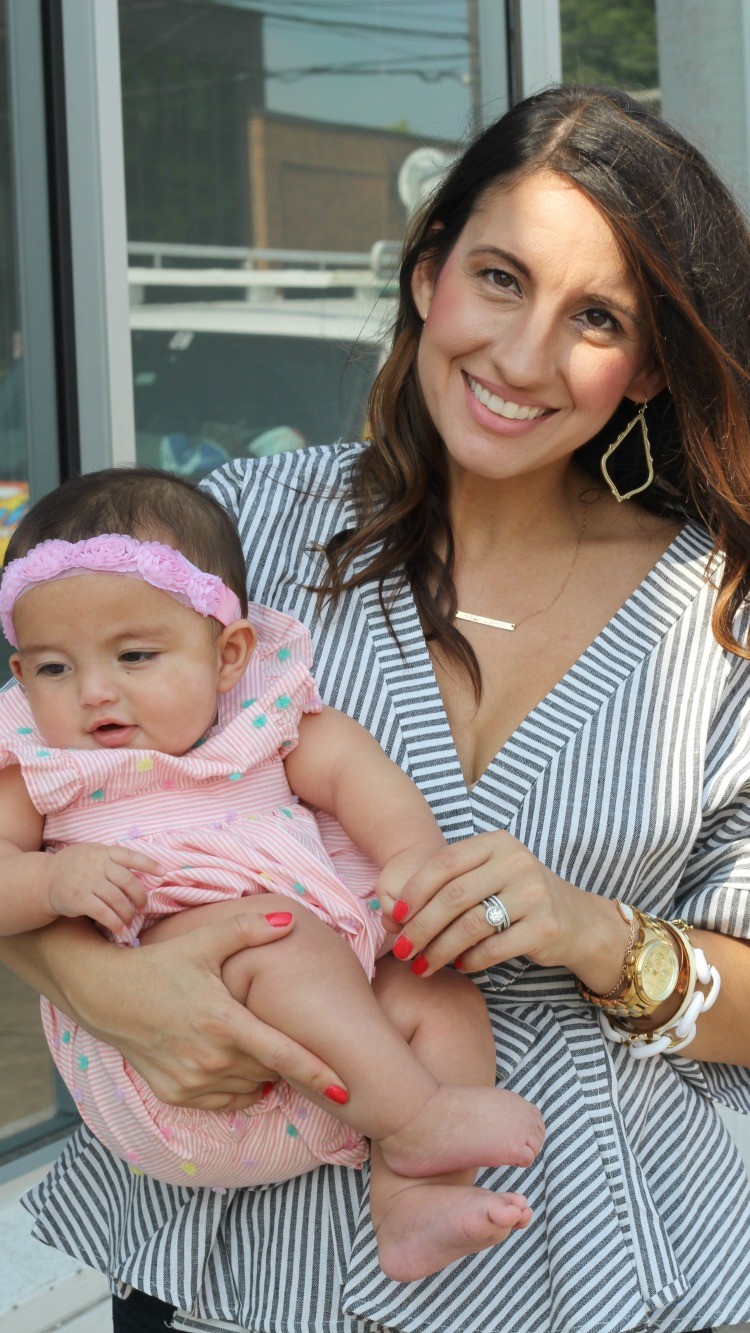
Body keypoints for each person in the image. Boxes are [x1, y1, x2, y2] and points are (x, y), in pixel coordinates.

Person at [2, 81, 750, 1333]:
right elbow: (46, 786)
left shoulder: (723, 614)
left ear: (645, 369)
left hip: (611, 1271)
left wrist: (595, 935)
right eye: (500, 279)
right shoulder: (240, 528)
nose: (520, 357)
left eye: (597, 316)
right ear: (428, 273)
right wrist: (101, 985)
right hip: (237, 1267)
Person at [0, 468, 544, 1282]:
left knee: (436, 991)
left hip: (333, 1048)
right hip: (172, 1072)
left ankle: (409, 1198)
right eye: (52, 668)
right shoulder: (38, 761)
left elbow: (355, 774)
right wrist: (50, 883)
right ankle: (421, 1117)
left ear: (228, 656)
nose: (94, 692)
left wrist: (408, 858)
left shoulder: (263, 717)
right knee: (277, 940)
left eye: (135, 654)